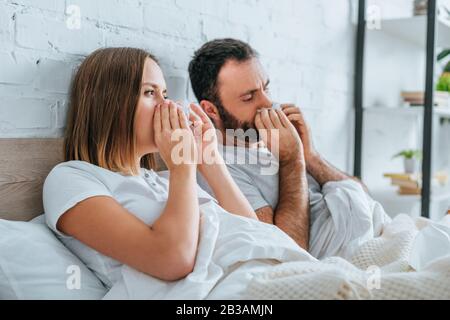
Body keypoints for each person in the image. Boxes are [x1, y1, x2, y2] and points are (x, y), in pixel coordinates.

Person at [43, 47, 258, 289]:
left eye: (164, 94)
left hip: (259, 274)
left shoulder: (163, 179)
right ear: (109, 103)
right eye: (149, 92)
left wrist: (209, 159)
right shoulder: (72, 179)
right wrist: (183, 168)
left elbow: (256, 234)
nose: (167, 106)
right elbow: (173, 260)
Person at [188, 38, 370, 251]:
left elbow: (364, 195)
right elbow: (286, 251)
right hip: (349, 252)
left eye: (266, 88)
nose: (267, 103)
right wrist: (291, 159)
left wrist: (310, 155)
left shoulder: (275, 141)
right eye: (248, 97)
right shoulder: (221, 166)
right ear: (211, 110)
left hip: (375, 229)